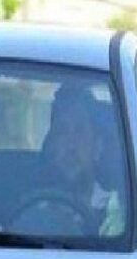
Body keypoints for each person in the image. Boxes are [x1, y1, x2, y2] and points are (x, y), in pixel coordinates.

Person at [37, 84, 124, 238]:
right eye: (62, 131)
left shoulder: (120, 213)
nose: (71, 145)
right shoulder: (33, 211)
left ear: (97, 147)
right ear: (51, 147)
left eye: (80, 131)